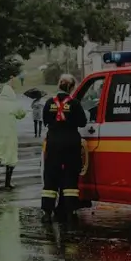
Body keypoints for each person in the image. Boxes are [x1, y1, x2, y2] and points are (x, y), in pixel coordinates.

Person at [40, 74, 87, 219]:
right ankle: (70, 209)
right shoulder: (75, 104)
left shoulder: (49, 103)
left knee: (51, 175)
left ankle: (47, 211)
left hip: (53, 142)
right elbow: (83, 122)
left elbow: (45, 120)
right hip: (71, 142)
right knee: (70, 175)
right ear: (71, 87)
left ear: (59, 85)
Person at [0, 83, 29, 189]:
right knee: (11, 158)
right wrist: (16, 104)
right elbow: (22, 114)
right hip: (10, 137)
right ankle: (8, 183)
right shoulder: (14, 105)